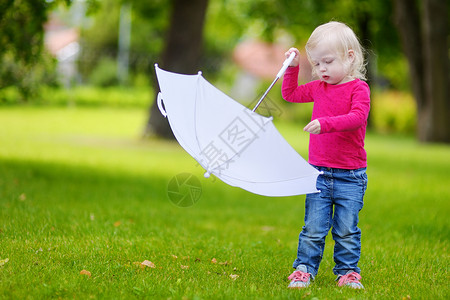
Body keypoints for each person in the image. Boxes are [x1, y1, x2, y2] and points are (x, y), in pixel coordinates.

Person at [282, 21, 370, 289]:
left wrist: (326, 123)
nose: (321, 69)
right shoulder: (319, 87)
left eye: (327, 62)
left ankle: (347, 272)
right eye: (317, 63)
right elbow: (290, 94)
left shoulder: (359, 89)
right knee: (313, 228)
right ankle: (304, 269)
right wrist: (293, 67)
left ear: (350, 57)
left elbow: (357, 118)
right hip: (319, 173)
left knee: (346, 230)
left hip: (350, 175)